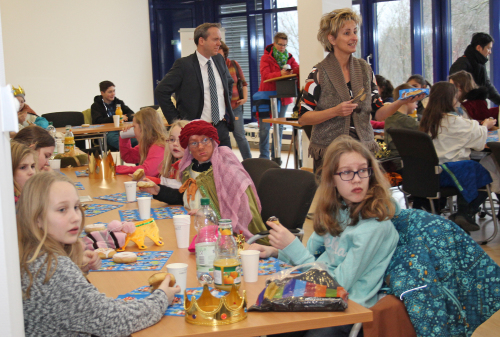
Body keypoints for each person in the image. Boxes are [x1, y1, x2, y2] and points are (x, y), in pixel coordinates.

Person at [248, 135, 399, 337]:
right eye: (346, 172)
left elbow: (339, 283)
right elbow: (310, 256)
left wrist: (292, 245)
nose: (356, 179)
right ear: (332, 179)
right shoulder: (337, 210)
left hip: (348, 307)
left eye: (362, 170)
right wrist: (276, 252)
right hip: (319, 295)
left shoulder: (375, 227)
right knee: (272, 326)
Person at [17, 172, 180, 336]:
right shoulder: (54, 269)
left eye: (76, 207)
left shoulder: (31, 254)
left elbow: (72, 307)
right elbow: (112, 320)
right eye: (62, 209)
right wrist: (161, 298)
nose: (75, 217)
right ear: (36, 218)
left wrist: (77, 268)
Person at [298, 8, 425, 173]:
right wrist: (335, 111)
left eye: (355, 32)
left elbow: (378, 112)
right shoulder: (318, 73)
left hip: (363, 150)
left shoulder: (365, 70)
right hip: (330, 154)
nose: (354, 38)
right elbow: (303, 118)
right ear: (332, 38)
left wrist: (401, 102)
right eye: (347, 33)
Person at [139, 120, 267, 241]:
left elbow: (241, 211)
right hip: (195, 226)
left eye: (205, 140)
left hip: (229, 236)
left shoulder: (226, 168)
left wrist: (209, 215)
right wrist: (157, 190)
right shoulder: (190, 168)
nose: (200, 147)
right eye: (194, 143)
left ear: (213, 141)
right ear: (188, 147)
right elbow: (186, 197)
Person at [419, 82, 496, 231]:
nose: (458, 101)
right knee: (484, 174)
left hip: (428, 173)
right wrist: (485, 125)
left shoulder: (427, 120)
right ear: (450, 100)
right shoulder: (453, 121)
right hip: (447, 173)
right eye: (456, 97)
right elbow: (478, 141)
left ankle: (463, 213)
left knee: (474, 170)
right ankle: (465, 212)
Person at [155, 23, 235, 148]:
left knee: (227, 165)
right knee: (199, 167)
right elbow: (161, 91)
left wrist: (224, 108)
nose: (219, 43)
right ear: (201, 41)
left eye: (220, 40)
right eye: (215, 39)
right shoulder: (184, 65)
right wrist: (177, 121)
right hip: (196, 130)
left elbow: (229, 83)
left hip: (221, 128)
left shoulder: (219, 59)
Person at [258, 32, 300, 160]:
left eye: (285, 45)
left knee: (279, 126)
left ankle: (276, 157)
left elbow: (297, 69)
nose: (282, 47)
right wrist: (279, 74)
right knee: (265, 127)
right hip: (266, 96)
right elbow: (265, 75)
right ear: (274, 43)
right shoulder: (266, 58)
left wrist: (291, 71)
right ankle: (264, 157)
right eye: (280, 44)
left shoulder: (289, 57)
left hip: (284, 96)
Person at [218, 41, 252, 160]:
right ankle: (229, 163)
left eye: (219, 52)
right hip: (219, 110)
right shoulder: (211, 67)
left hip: (235, 107)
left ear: (224, 53)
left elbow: (243, 83)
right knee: (224, 137)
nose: (217, 55)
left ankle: (249, 163)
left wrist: (245, 98)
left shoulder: (233, 64)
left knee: (240, 136)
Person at [449, 32, 500, 106]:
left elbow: (486, 85)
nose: (490, 52)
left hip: (476, 106)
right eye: (488, 48)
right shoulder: (461, 64)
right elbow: (456, 89)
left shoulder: (480, 63)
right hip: (464, 108)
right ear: (478, 47)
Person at [116, 107, 167, 177]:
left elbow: (147, 171)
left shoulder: (159, 146)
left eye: (134, 127)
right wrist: (124, 137)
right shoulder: (148, 144)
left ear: (144, 128)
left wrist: (120, 168)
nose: (132, 129)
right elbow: (128, 157)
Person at [91, 80, 136, 151]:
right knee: (125, 143)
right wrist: (117, 118)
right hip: (108, 132)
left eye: (114, 91)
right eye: (110, 92)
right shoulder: (96, 106)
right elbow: (98, 121)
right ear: (102, 93)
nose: (113, 94)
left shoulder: (119, 102)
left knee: (137, 140)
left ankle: (135, 155)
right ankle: (131, 154)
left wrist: (127, 117)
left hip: (123, 129)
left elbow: (131, 113)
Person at [147, 119, 189, 188]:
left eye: (181, 140)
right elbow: (164, 184)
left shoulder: (192, 170)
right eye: (172, 139)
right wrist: (145, 180)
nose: (175, 144)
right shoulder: (170, 166)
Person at [384, 83, 419, 160]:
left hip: (391, 160)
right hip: (403, 161)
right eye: (415, 102)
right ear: (408, 100)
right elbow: (426, 129)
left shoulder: (389, 118)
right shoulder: (407, 121)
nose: (416, 106)